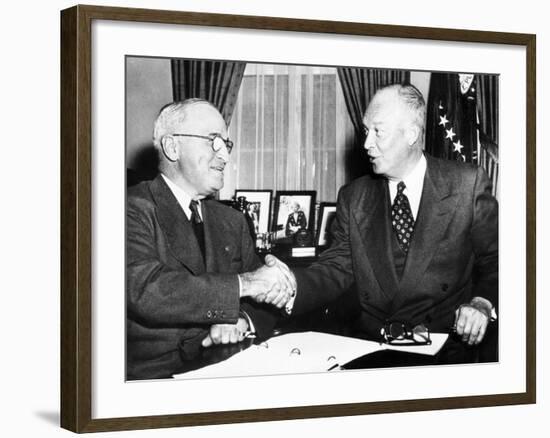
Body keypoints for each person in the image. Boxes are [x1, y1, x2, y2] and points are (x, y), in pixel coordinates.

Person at [273, 84, 498, 364]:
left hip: (445, 354)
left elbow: (496, 261)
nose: (366, 143)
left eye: (378, 131)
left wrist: (482, 303)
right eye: (366, 131)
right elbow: (335, 268)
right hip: (373, 351)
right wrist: (291, 284)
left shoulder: (467, 183)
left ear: (412, 134)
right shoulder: (353, 197)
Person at [126, 99, 293, 380]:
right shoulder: (129, 209)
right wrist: (248, 284)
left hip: (227, 367)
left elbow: (264, 305)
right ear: (172, 147)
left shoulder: (232, 220)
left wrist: (241, 319)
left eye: (226, 145)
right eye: (213, 141)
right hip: (152, 377)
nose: (225, 156)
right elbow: (147, 290)